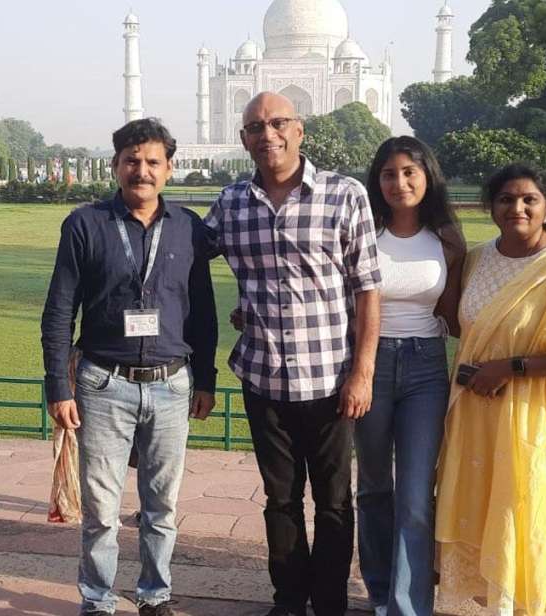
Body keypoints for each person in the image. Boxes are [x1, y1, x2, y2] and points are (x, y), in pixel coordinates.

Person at [204, 92, 382, 616]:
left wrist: (362, 371)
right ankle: (288, 600)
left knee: (333, 503)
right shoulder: (232, 203)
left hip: (330, 379)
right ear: (244, 139)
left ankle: (328, 603)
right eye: (256, 126)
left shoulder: (342, 195)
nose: (268, 134)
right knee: (280, 501)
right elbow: (180, 252)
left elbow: (368, 288)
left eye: (279, 123)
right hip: (265, 378)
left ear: (299, 130)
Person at [41, 117, 218, 616]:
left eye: (152, 162)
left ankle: (154, 594)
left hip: (170, 384)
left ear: (170, 168)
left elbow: (201, 310)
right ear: (115, 165)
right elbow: (59, 310)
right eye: (131, 160)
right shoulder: (85, 224)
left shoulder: (188, 226)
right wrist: (59, 385)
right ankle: (98, 600)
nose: (142, 170)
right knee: (100, 510)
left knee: (161, 506)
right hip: (102, 383)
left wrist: (205, 379)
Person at [435, 164, 546, 616]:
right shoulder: (478, 259)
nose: (516, 208)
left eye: (528, 200)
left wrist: (510, 368)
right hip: (478, 416)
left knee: (528, 511)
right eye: (505, 200)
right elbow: (465, 326)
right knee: (484, 512)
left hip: (536, 421)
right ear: (491, 206)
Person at [355, 137, 464, 616]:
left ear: (427, 176)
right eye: (388, 174)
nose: (399, 183)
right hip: (367, 363)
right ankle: (381, 593)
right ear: (376, 182)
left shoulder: (446, 239)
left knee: (416, 493)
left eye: (408, 172)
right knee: (374, 487)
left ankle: (409, 606)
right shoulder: (362, 230)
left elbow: (463, 311)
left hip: (425, 368)